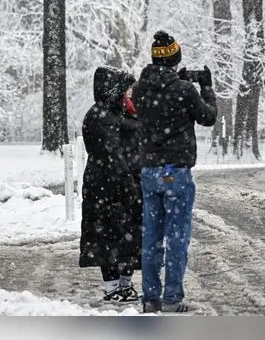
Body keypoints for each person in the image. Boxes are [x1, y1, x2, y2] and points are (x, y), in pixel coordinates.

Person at [133, 31, 217, 314]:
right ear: (175, 59)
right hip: (176, 170)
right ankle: (171, 298)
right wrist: (206, 87)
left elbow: (152, 108)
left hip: (149, 170)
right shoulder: (184, 90)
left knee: (151, 237)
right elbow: (208, 117)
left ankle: (150, 297)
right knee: (177, 236)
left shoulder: (139, 89)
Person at [80, 66, 142, 303]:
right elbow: (112, 156)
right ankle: (113, 287)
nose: (129, 92)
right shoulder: (102, 116)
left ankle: (124, 285)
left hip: (119, 185)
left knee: (125, 237)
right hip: (108, 188)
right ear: (113, 90)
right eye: (125, 88)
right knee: (108, 237)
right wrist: (129, 187)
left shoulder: (119, 113)